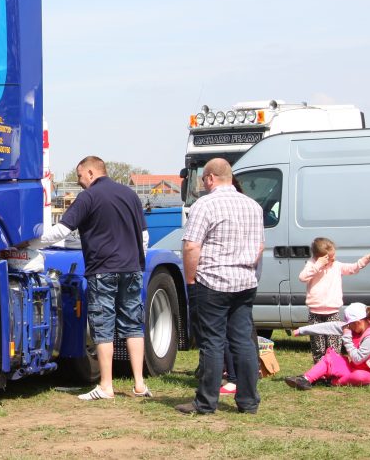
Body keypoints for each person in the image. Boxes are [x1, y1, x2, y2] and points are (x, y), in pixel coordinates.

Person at [25, 155, 150, 400]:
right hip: (131, 269)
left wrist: (30, 241)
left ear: (91, 173)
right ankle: (139, 384)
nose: (79, 181)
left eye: (80, 176)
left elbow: (61, 231)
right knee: (133, 324)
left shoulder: (89, 197)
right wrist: (137, 262)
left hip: (103, 269)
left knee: (103, 327)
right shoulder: (130, 194)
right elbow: (144, 236)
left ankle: (106, 386)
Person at [176, 158, 264, 415]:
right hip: (245, 281)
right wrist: (253, 276)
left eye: (203, 179)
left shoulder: (205, 204)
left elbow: (192, 245)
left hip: (213, 281)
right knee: (244, 341)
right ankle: (248, 401)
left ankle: (206, 402)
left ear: (211, 178)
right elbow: (259, 247)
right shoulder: (253, 206)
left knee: (212, 342)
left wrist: (190, 280)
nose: (203, 184)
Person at [298, 237, 370, 363]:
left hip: (332, 313)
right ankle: (320, 372)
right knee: (318, 346)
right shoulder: (312, 265)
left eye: (334, 255)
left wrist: (368, 258)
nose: (333, 259)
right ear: (319, 258)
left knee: (334, 345)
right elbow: (302, 277)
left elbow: (353, 268)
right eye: (329, 257)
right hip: (315, 314)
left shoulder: (336, 266)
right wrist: (318, 266)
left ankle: (334, 371)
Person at [285, 303, 370, 388]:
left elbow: (357, 359)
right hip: (354, 368)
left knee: (359, 376)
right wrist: (300, 331)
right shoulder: (353, 327)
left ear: (359, 321)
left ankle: (332, 381)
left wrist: (347, 338)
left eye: (350, 323)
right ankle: (305, 380)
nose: (348, 326)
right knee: (329, 358)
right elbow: (328, 327)